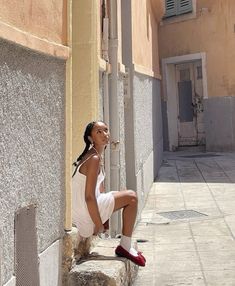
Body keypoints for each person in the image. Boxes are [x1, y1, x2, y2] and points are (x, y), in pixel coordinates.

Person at [72, 121, 146, 267]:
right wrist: (99, 224)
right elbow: (88, 197)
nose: (104, 134)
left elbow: (98, 189)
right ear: (90, 138)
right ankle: (125, 246)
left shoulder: (94, 155)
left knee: (117, 194)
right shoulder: (93, 158)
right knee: (131, 197)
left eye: (106, 130)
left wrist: (104, 218)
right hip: (84, 211)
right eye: (99, 132)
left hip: (83, 208)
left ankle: (125, 244)